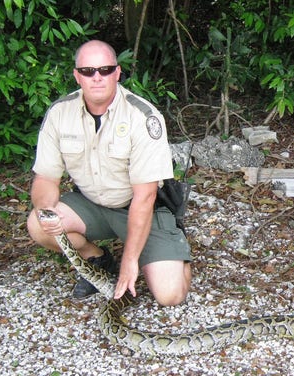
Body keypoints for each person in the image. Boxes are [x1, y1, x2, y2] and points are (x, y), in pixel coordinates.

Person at [27, 40, 191, 306]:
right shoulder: (60, 113)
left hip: (141, 209)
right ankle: (98, 258)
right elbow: (46, 178)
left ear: (117, 72)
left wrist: (131, 261)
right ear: (77, 76)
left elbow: (145, 197)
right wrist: (47, 212)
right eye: (88, 71)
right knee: (37, 224)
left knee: (169, 295)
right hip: (93, 204)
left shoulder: (143, 117)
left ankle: (174, 246)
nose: (97, 78)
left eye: (105, 69)